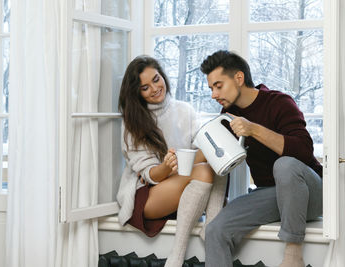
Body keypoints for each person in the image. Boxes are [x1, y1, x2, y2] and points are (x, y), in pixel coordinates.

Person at [200, 50, 323, 267]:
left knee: (284, 164)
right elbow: (218, 157)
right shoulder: (228, 115)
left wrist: (253, 129)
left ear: (239, 78)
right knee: (215, 230)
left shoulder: (279, 102)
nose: (213, 94)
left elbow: (304, 151)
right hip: (270, 194)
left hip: (308, 193)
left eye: (218, 86)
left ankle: (293, 254)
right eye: (211, 88)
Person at [116, 55, 227, 267]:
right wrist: (166, 167)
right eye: (145, 87)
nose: (155, 88)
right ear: (136, 93)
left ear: (163, 76)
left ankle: (212, 225)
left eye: (156, 79)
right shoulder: (133, 121)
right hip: (147, 193)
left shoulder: (184, 110)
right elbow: (148, 175)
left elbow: (204, 149)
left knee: (218, 155)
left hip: (180, 182)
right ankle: (178, 254)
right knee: (204, 170)